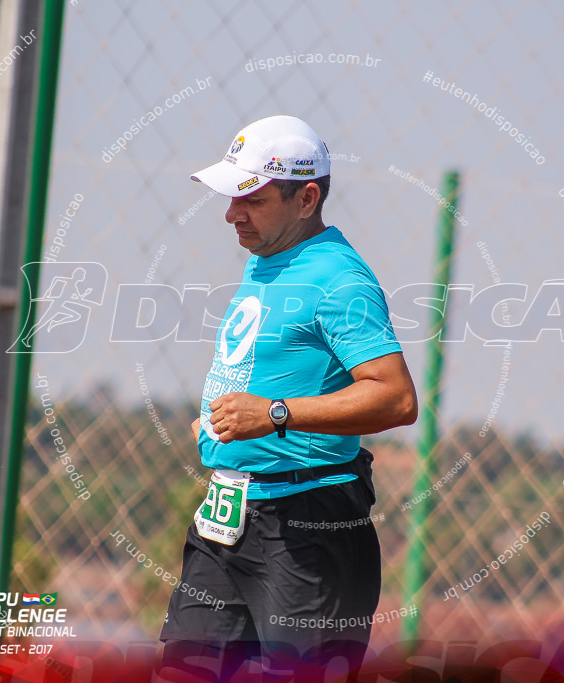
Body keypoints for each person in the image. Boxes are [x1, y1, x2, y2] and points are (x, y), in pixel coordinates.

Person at [159, 115, 418, 679]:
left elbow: (396, 399)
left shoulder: (338, 277)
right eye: (231, 198)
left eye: (250, 198)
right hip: (226, 517)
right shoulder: (268, 260)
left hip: (307, 526)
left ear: (305, 198)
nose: (231, 214)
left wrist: (274, 415)